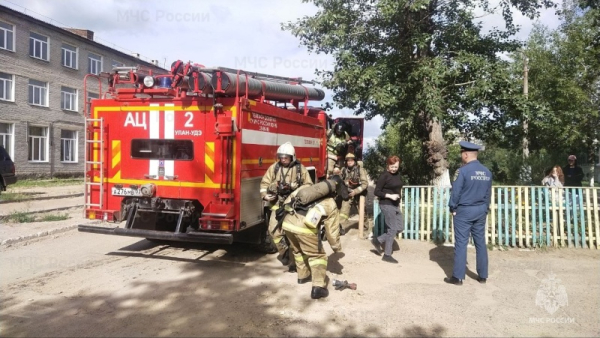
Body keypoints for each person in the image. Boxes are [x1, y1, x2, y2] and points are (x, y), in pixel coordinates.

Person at [280, 175, 348, 299]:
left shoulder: (307, 188)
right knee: (318, 256)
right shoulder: (331, 203)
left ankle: (303, 276)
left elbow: (287, 203)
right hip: (304, 228)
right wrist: (336, 247)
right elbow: (332, 232)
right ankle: (318, 288)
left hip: (288, 223)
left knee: (298, 250)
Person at [445, 141, 492, 286]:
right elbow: (488, 194)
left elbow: (456, 192)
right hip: (480, 210)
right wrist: (485, 208)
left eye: (462, 154)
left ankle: (458, 277)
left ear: (465, 154)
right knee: (480, 243)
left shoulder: (462, 171)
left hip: (464, 211)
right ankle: (483, 276)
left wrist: (453, 208)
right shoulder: (487, 171)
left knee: (461, 243)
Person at [260, 142, 313, 271]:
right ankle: (284, 253)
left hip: (295, 205)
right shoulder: (274, 168)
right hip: (278, 204)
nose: (283, 160)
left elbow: (309, 185)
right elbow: (264, 183)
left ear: (292, 157)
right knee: (274, 231)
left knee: (293, 234)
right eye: (281, 157)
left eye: (286, 157)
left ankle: (294, 263)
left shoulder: (300, 169)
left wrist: (295, 190)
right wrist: (265, 195)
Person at [371, 155, 404, 264]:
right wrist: (390, 196)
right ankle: (387, 255)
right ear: (388, 165)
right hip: (386, 204)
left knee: (400, 227)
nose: (394, 169)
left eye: (396, 166)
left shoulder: (397, 174)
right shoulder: (384, 176)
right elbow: (377, 192)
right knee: (392, 229)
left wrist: (398, 199)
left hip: (395, 205)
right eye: (392, 166)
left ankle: (378, 240)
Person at [339, 153, 368, 235]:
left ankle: (365, 229)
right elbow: (340, 181)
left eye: (351, 160)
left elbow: (365, 184)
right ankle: (340, 228)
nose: (349, 162)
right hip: (348, 194)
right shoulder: (343, 170)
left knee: (362, 212)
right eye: (348, 160)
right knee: (343, 212)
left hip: (359, 194)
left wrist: (355, 191)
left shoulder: (360, 170)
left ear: (354, 161)